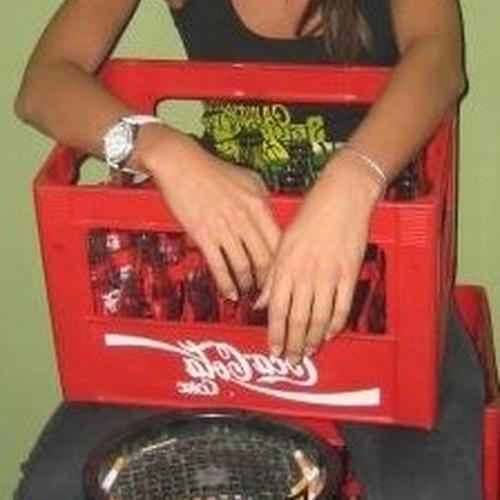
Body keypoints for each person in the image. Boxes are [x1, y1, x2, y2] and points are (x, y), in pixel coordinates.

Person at [14, 1, 485, 499]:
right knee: (56, 485)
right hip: (220, 271)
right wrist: (166, 153)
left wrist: (353, 180)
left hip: (380, 265)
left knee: (427, 486)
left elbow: (439, 58)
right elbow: (44, 83)